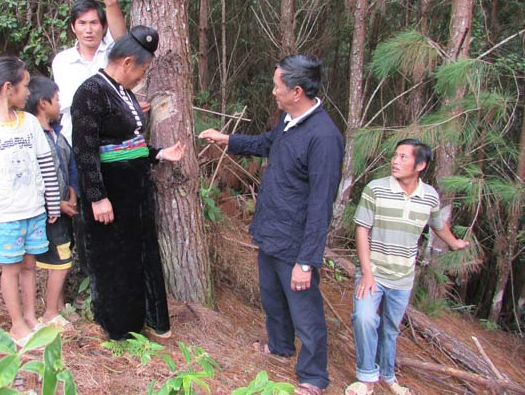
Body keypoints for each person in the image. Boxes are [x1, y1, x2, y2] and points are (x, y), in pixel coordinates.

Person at [199, 55, 344, 395]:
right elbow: (266, 144)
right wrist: (227, 140)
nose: (273, 91)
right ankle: (280, 347)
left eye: (278, 85)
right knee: (273, 298)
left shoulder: (324, 137)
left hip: (296, 244)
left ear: (296, 91)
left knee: (305, 312)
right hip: (271, 232)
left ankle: (313, 377)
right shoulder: (288, 121)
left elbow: (321, 205)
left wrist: (306, 261)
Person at [71, 25, 184, 340]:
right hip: (111, 195)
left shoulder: (124, 92)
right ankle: (119, 328)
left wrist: (160, 154)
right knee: (115, 261)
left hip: (136, 192)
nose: (142, 77)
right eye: (142, 70)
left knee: (140, 256)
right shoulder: (91, 92)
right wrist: (97, 197)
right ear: (126, 63)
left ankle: (145, 318)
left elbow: (129, 145)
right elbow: (84, 149)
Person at [345, 139, 469, 395]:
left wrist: (454, 242)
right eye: (395, 155)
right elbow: (362, 229)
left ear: (420, 164)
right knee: (364, 318)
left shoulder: (430, 196)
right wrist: (367, 273)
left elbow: (437, 224)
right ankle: (367, 378)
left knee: (389, 330)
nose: (395, 161)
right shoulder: (375, 189)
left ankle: (388, 377)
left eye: (403, 157)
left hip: (403, 278)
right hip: (374, 272)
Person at [0, 56, 61, 347]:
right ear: (8, 88)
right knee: (11, 268)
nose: (29, 92)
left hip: (33, 209)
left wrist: (52, 204)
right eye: (25, 86)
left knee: (31, 264)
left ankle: (31, 317)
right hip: (4, 213)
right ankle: (17, 324)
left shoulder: (29, 122)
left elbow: (46, 165)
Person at [52, 0, 128, 145]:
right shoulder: (62, 61)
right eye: (82, 23)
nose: (88, 29)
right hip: (74, 144)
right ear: (73, 27)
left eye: (94, 23)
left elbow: (111, 3)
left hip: (111, 144)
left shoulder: (114, 51)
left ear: (104, 27)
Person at [25, 75, 80, 331]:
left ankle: (57, 307)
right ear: (43, 103)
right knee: (61, 261)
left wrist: (72, 193)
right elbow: (32, 177)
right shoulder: (31, 137)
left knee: (61, 258)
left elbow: (70, 166)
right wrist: (56, 204)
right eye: (57, 100)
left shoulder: (57, 134)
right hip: (49, 214)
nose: (60, 105)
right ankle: (49, 313)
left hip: (65, 208)